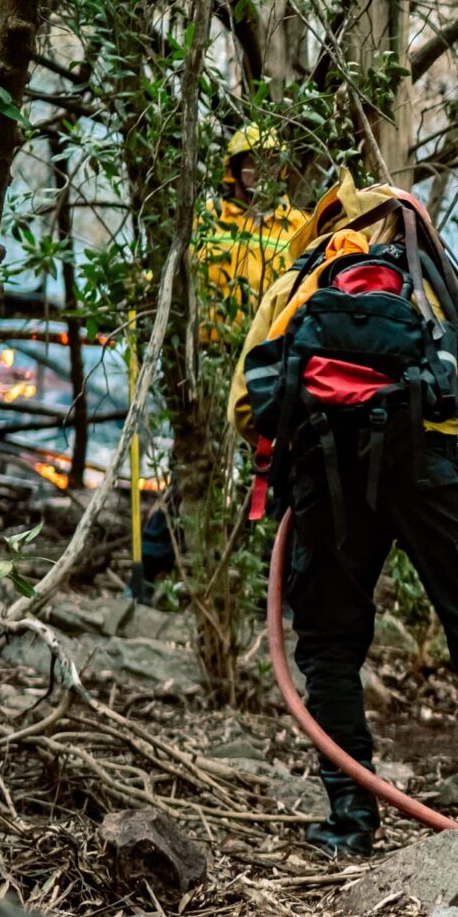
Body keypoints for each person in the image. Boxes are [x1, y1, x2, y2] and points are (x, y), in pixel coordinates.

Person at [228, 171, 458, 859]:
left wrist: (298, 457)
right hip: (428, 469)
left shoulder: (298, 285)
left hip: (326, 473)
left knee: (327, 646)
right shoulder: (435, 289)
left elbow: (244, 406)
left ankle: (351, 820)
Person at [141, 126, 307, 586]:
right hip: (213, 364)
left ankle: (271, 585)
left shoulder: (299, 227)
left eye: (270, 163)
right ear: (233, 170)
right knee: (198, 472)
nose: (261, 172)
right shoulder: (207, 221)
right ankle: (153, 569)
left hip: (276, 368)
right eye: (251, 162)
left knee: (278, 474)